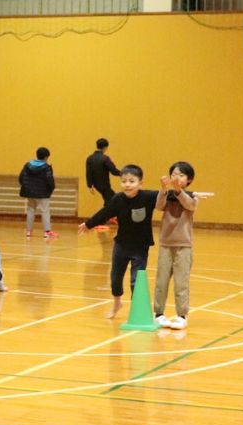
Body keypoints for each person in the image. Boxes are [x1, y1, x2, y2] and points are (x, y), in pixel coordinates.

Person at [79, 164, 159, 319]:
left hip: (140, 247)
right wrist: (89, 224)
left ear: (140, 183)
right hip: (121, 245)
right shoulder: (117, 199)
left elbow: (168, 194)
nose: (127, 184)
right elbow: (105, 213)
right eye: (124, 181)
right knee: (115, 279)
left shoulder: (148, 197)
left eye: (132, 181)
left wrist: (192, 194)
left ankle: (136, 310)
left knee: (136, 281)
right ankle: (117, 303)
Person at [154, 162, 207, 330]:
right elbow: (158, 206)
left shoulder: (192, 197)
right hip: (165, 243)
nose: (177, 178)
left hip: (183, 245)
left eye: (182, 175)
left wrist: (178, 191)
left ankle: (181, 315)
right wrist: (163, 189)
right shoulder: (166, 194)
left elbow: (189, 205)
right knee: (161, 280)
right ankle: (158, 314)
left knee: (181, 281)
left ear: (189, 180)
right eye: (174, 174)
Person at [19, 147, 57, 239]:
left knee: (30, 210)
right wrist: (51, 189)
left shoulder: (27, 165)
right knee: (45, 211)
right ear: (46, 157)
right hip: (43, 193)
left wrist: (26, 187)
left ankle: (28, 231)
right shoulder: (46, 167)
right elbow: (50, 180)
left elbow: (21, 178)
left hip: (29, 192)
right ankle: (47, 232)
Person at [85, 138, 121, 207]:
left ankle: (107, 215)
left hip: (96, 185)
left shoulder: (89, 158)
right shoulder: (105, 158)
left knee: (109, 200)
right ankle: (105, 216)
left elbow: (88, 173)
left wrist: (90, 185)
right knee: (113, 200)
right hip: (105, 185)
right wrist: (123, 173)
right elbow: (113, 171)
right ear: (105, 147)